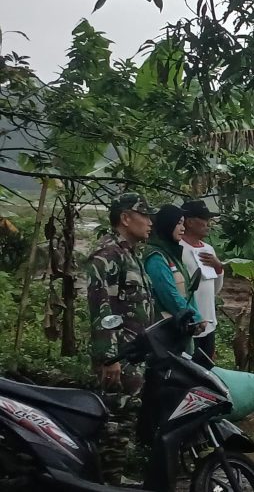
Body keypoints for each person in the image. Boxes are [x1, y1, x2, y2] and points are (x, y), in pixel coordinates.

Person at [86, 192, 157, 484]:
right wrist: (109, 358)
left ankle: (113, 476)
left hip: (134, 353)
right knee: (114, 420)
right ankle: (105, 480)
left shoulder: (131, 255)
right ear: (125, 218)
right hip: (120, 357)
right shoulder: (108, 255)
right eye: (144, 215)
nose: (150, 222)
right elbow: (102, 308)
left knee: (126, 418)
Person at [180, 200, 223, 360]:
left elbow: (215, 289)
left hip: (208, 323)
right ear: (190, 222)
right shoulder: (179, 248)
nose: (208, 224)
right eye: (204, 220)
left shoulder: (208, 249)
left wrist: (218, 268)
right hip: (189, 324)